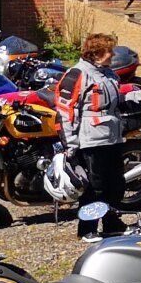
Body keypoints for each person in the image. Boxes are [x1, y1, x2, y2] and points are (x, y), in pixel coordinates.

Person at [56, 33, 128, 240]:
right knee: (95, 187)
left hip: (112, 138)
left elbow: (115, 99)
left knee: (116, 184)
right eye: (108, 51)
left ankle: (112, 223)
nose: (112, 55)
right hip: (91, 141)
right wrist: (71, 145)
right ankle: (87, 229)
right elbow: (66, 111)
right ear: (96, 53)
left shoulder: (108, 73)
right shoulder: (77, 74)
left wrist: (137, 96)